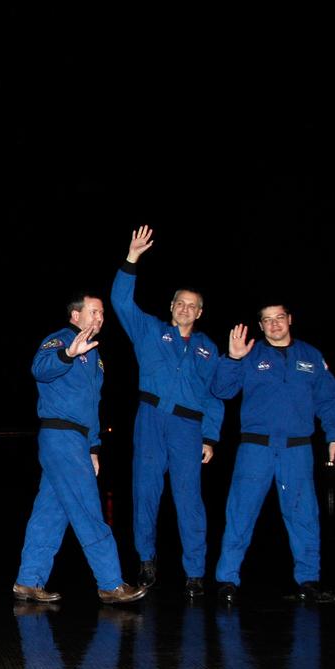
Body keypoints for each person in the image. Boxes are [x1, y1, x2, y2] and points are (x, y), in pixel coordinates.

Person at [110, 225, 224, 596]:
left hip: (189, 427)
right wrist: (132, 259)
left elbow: (214, 396)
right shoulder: (150, 331)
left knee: (189, 497)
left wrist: (210, 435)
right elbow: (121, 302)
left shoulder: (208, 349)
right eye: (180, 303)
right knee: (145, 490)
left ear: (200, 312)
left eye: (193, 305)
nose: (185, 309)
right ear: (172, 306)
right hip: (151, 419)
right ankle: (146, 560)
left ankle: (194, 572)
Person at [13, 293, 147, 605]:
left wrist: (94, 447)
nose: (100, 318)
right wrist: (67, 354)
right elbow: (40, 369)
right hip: (60, 436)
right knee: (88, 508)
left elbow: (91, 405)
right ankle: (111, 583)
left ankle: (28, 580)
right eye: (94, 312)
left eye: (102, 314)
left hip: (77, 440)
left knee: (50, 512)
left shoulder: (95, 355)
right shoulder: (60, 340)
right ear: (75, 316)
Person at [211, 304, 335, 603]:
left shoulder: (311, 356)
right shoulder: (250, 355)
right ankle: (227, 580)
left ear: (290, 320)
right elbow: (222, 390)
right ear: (260, 326)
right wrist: (233, 358)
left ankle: (309, 581)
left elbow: (328, 400)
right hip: (255, 448)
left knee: (303, 516)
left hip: (297, 449)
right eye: (267, 320)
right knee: (240, 514)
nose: (274, 325)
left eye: (279, 318)